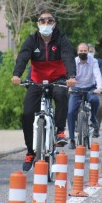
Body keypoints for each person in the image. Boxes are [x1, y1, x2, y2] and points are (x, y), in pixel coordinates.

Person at [11, 11, 76, 171]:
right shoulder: (32, 40)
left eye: (49, 21)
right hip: (36, 80)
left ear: (54, 24)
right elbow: (23, 57)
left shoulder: (61, 39)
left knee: (62, 94)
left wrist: (71, 76)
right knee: (27, 113)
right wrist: (17, 75)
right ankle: (30, 151)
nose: (46, 24)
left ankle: (60, 131)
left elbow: (68, 57)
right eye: (42, 21)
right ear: (37, 23)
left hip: (58, 79)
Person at [67, 43, 102, 149]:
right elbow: (69, 75)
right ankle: (72, 139)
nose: (83, 53)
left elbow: (97, 75)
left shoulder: (94, 61)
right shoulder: (73, 62)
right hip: (76, 89)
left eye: (85, 51)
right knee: (70, 112)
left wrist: (99, 88)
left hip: (90, 88)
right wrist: (69, 86)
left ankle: (93, 118)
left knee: (95, 100)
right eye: (81, 51)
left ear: (88, 51)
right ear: (77, 52)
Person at [88, 44, 102, 129]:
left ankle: (96, 127)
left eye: (91, 51)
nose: (89, 53)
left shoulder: (99, 62)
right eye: (87, 51)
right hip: (82, 87)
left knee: (100, 106)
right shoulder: (78, 61)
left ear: (94, 52)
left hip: (96, 88)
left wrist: (101, 87)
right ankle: (78, 123)